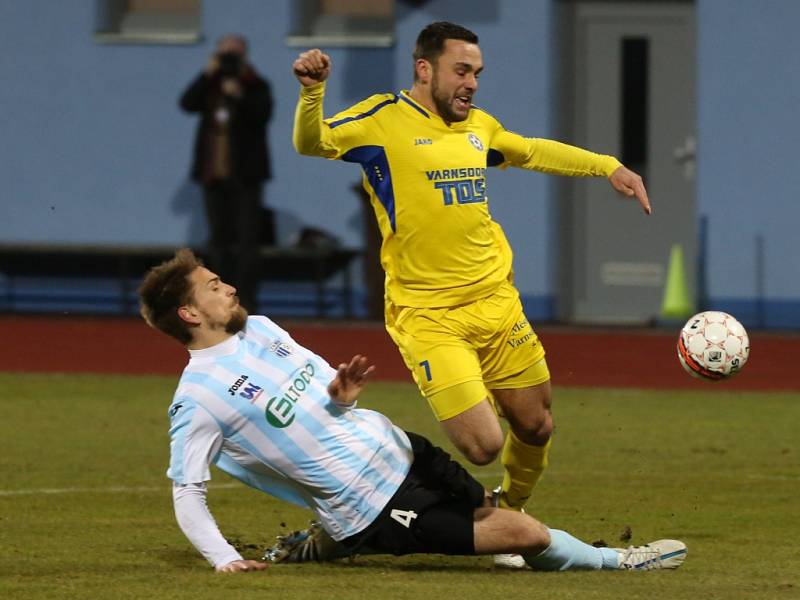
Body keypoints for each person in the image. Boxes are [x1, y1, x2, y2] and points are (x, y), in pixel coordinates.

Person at [291, 21, 652, 567]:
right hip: (428, 314)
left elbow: (531, 151)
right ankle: (372, 506)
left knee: (536, 425)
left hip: (495, 302)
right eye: (461, 71)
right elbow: (311, 142)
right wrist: (312, 93)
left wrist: (609, 167)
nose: (472, 83)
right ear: (424, 69)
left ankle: (513, 518)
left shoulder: (478, 128)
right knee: (482, 445)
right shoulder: (380, 121)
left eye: (477, 73)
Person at [137, 249, 686, 574]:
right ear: (189, 312)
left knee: (484, 503)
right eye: (214, 286)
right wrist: (222, 558)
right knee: (526, 535)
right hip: (375, 506)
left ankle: (321, 541)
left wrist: (341, 393)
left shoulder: (262, 329)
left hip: (403, 448)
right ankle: (622, 562)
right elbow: (187, 490)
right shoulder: (199, 396)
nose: (229, 287)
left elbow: (317, 401)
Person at [179, 34, 273, 313]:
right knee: (217, 240)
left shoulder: (255, 84)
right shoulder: (210, 85)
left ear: (245, 55)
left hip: (246, 177)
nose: (229, 59)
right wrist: (207, 73)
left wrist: (239, 96)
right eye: (225, 54)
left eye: (235, 54)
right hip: (213, 175)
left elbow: (263, 115)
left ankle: (247, 301)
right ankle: (215, 300)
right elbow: (186, 103)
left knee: (247, 242)